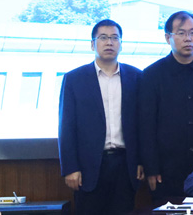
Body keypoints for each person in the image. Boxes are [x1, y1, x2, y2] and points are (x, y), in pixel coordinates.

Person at [139, 11, 193, 204]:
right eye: (181, 33)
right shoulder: (152, 74)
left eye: (192, 32)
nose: (188, 38)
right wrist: (151, 167)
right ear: (168, 37)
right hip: (166, 168)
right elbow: (146, 125)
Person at [58, 19, 143, 214]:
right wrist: (70, 168)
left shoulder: (136, 77)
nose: (109, 42)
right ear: (92, 44)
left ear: (121, 43)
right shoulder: (74, 79)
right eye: (103, 38)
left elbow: (142, 124)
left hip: (125, 165)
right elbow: (66, 126)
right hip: (88, 167)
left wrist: (141, 160)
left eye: (115, 38)